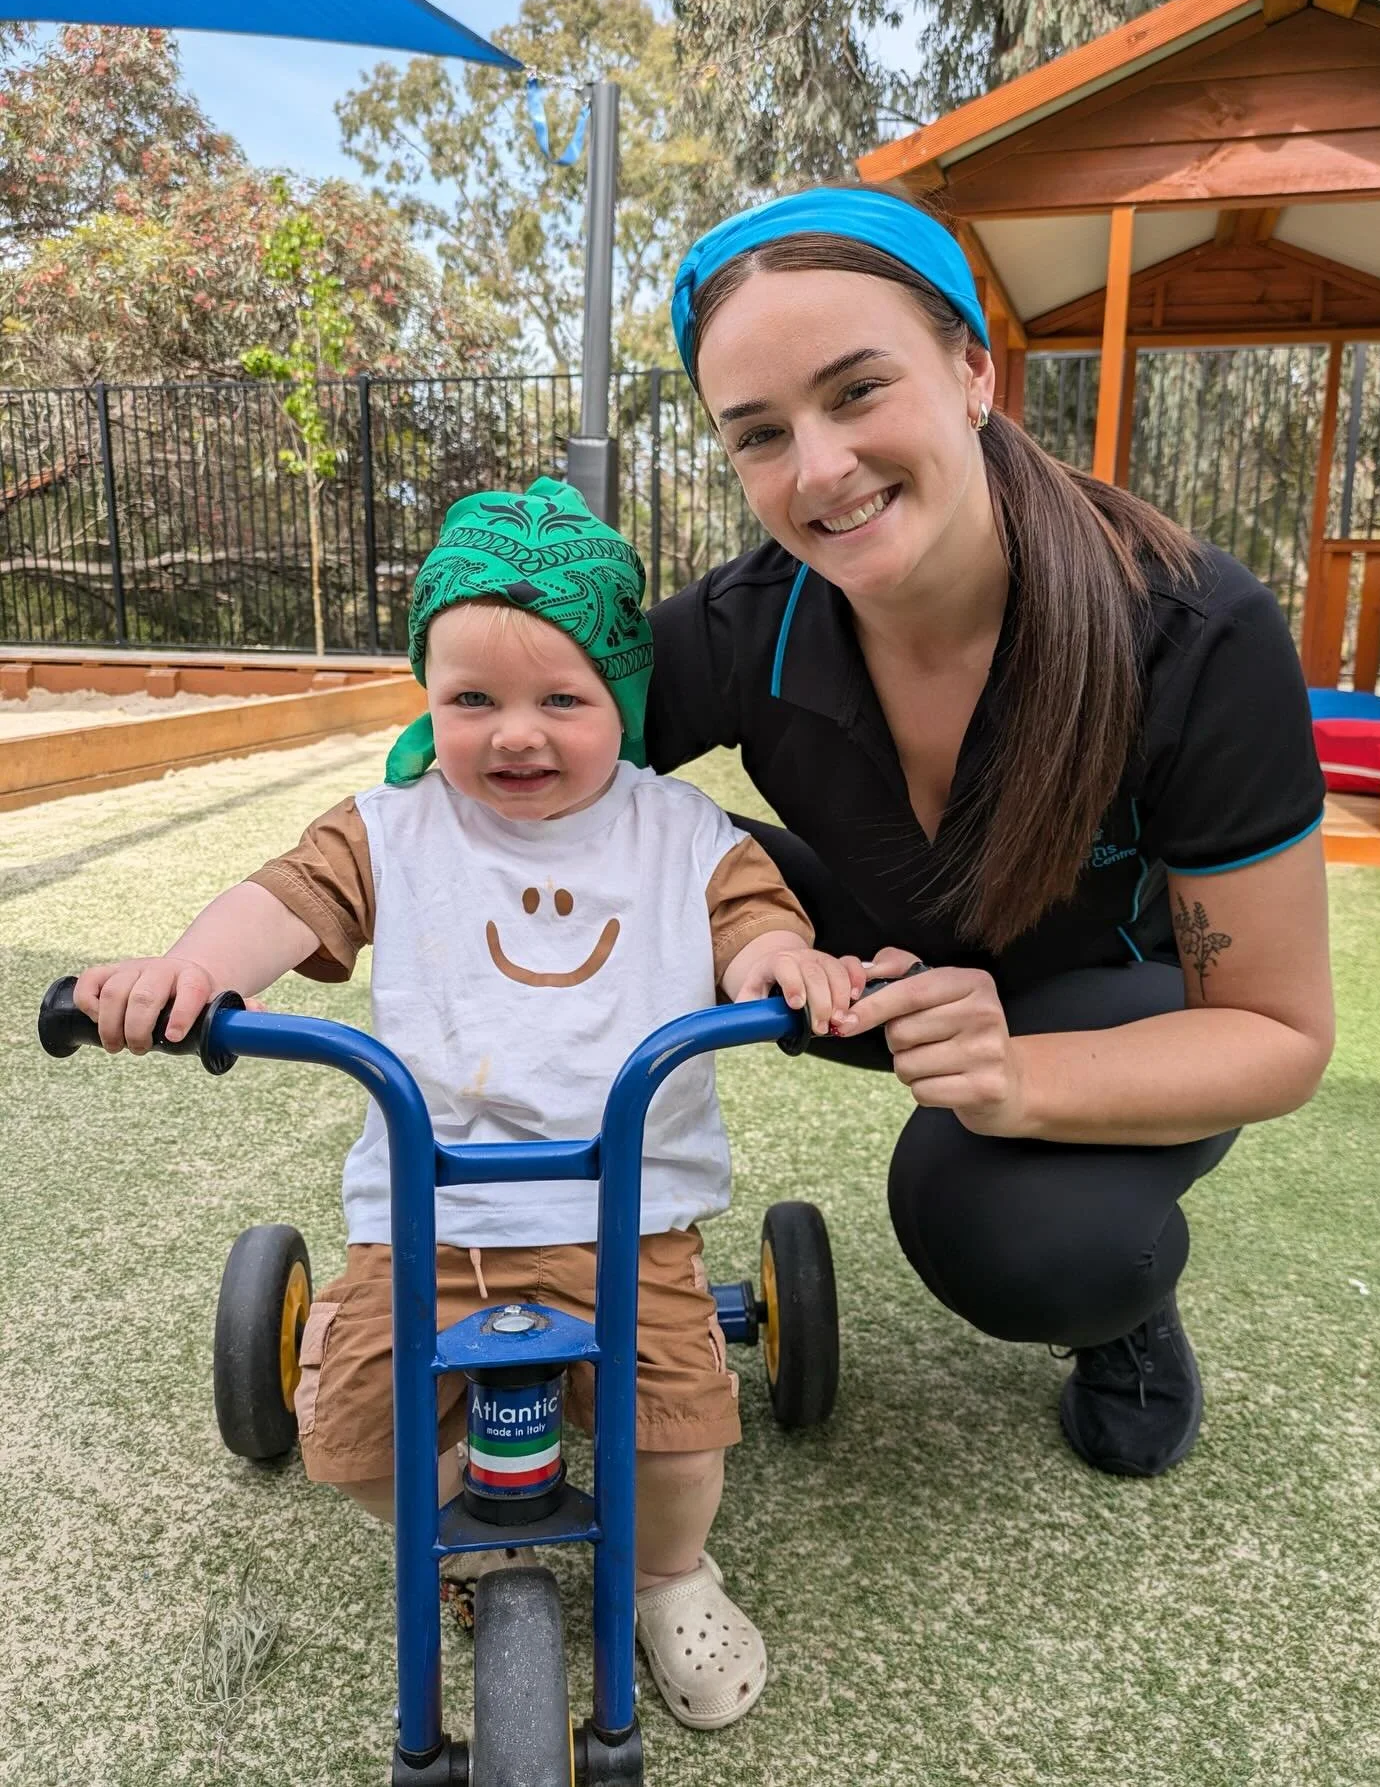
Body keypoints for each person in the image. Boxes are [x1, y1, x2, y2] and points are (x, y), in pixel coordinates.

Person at [72, 478, 863, 1732]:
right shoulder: (389, 829)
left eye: (565, 699)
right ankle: (474, 1540)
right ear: (427, 697)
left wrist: (784, 970)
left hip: (628, 1210)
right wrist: (192, 967)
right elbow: (282, 899)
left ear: (623, 697)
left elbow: (754, 919)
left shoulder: (681, 831)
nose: (517, 735)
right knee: (354, 1429)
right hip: (427, 1217)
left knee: (673, 1436)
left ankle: (667, 1574)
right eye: (471, 701)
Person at [648, 185, 1335, 1479]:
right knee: (602, 865)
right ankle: (572, 1241)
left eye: (857, 391)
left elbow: (1278, 1032)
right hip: (879, 964)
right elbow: (511, 737)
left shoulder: (1193, 630)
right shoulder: (744, 622)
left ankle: (1125, 1310)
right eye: (759, 434)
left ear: (974, 368)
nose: (819, 470)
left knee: (1003, 1223)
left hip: (1116, 1002)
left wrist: (1020, 1080)